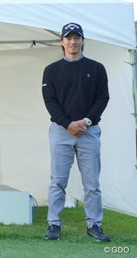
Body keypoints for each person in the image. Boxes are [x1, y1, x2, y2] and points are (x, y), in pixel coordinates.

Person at [41, 22, 110, 242]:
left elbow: (102, 98)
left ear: (82, 41)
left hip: (88, 132)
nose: (73, 42)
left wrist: (86, 122)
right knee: (58, 181)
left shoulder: (96, 68)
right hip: (61, 132)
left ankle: (94, 225)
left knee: (92, 183)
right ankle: (53, 225)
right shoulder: (51, 70)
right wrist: (67, 124)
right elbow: (50, 101)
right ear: (62, 42)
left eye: (76, 37)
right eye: (68, 38)